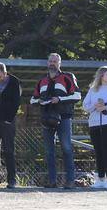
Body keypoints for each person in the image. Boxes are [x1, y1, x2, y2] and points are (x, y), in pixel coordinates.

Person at [30, 53, 81, 189]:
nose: (52, 63)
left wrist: (60, 99)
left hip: (63, 117)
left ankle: (70, 181)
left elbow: (77, 95)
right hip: (47, 118)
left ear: (60, 63)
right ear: (47, 63)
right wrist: (39, 101)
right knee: (48, 151)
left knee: (66, 148)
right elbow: (32, 99)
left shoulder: (67, 77)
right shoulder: (41, 81)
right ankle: (52, 181)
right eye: (50, 61)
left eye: (55, 61)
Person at [0, 62, 21, 189]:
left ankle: (12, 179)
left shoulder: (14, 82)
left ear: (5, 72)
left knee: (9, 150)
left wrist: (9, 119)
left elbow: (16, 102)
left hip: (8, 120)